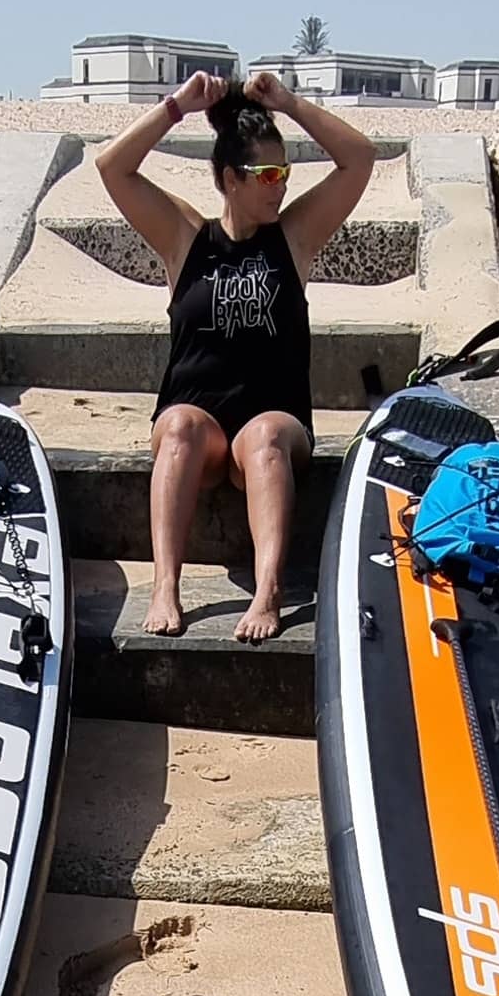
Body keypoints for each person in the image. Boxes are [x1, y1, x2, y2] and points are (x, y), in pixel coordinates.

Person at [95, 70, 375, 641]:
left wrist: (289, 103)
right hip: (198, 425)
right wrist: (178, 106)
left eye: (284, 173)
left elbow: (360, 159)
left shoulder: (292, 237)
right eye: (267, 175)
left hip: (272, 424)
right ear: (230, 179)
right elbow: (112, 167)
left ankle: (267, 592)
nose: (279, 187)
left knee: (266, 436)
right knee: (178, 425)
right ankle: (166, 587)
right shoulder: (186, 238)